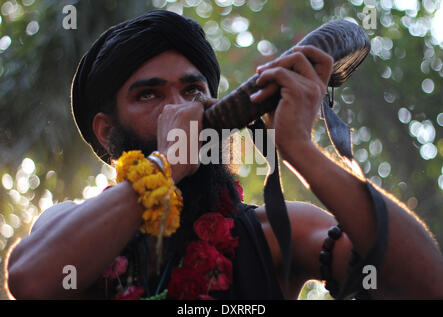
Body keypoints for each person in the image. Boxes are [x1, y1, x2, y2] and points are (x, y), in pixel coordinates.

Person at [6, 10, 443, 300]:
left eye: (194, 90)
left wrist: (301, 150)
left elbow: (426, 284)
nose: (182, 109)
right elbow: (31, 280)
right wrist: (168, 166)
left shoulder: (276, 230)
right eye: (149, 95)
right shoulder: (67, 225)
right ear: (106, 132)